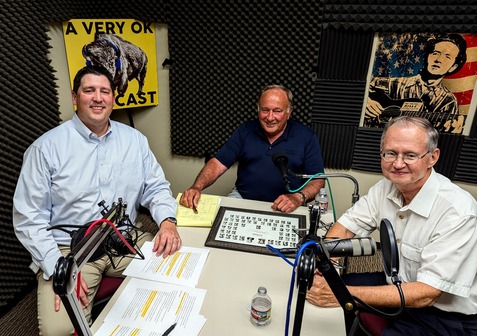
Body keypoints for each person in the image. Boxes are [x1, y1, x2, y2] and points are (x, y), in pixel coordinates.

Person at [12, 66, 181, 335]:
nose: (98, 98)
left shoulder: (135, 141)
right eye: (89, 90)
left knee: (181, 274)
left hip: (124, 238)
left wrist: (168, 222)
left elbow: (157, 188)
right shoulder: (45, 149)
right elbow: (28, 219)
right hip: (70, 251)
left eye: (105, 91)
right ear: (75, 98)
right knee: (61, 331)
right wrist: (60, 270)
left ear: (114, 98)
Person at [306, 116, 477, 335]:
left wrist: (342, 293)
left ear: (432, 157)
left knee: (339, 292)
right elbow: (347, 226)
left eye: (410, 155)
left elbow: (427, 293)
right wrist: (325, 265)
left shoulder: (458, 211)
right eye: (390, 153)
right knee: (321, 287)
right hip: (397, 281)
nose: (397, 164)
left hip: (443, 315)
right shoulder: (385, 188)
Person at [180, 84, 325, 213]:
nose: (270, 117)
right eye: (265, 110)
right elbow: (218, 163)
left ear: (289, 112)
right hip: (242, 197)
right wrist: (196, 187)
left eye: (277, 111)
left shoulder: (306, 136)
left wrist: (298, 197)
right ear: (258, 109)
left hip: (288, 204)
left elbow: (317, 179)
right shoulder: (245, 131)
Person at [365, 34, 467, 133]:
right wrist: (366, 101)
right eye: (435, 53)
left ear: (453, 66)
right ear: (427, 56)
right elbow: (358, 88)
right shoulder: (396, 83)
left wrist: (450, 129)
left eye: (447, 57)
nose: (438, 60)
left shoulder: (448, 101)